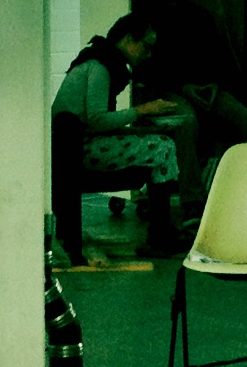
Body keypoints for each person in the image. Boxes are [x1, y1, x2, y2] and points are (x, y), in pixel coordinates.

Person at [52, 13, 200, 255]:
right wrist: (143, 110)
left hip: (77, 144)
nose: (148, 54)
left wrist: (143, 128)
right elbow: (97, 120)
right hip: (79, 148)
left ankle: (161, 231)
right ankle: (161, 234)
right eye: (146, 46)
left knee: (159, 143)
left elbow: (95, 122)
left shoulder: (99, 61)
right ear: (129, 39)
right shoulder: (100, 67)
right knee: (164, 147)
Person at [132, 0, 247, 158]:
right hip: (170, 91)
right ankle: (191, 180)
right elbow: (148, 68)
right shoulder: (147, 20)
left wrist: (214, 85)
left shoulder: (199, 16)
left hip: (207, 90)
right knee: (187, 121)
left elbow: (217, 58)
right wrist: (183, 88)